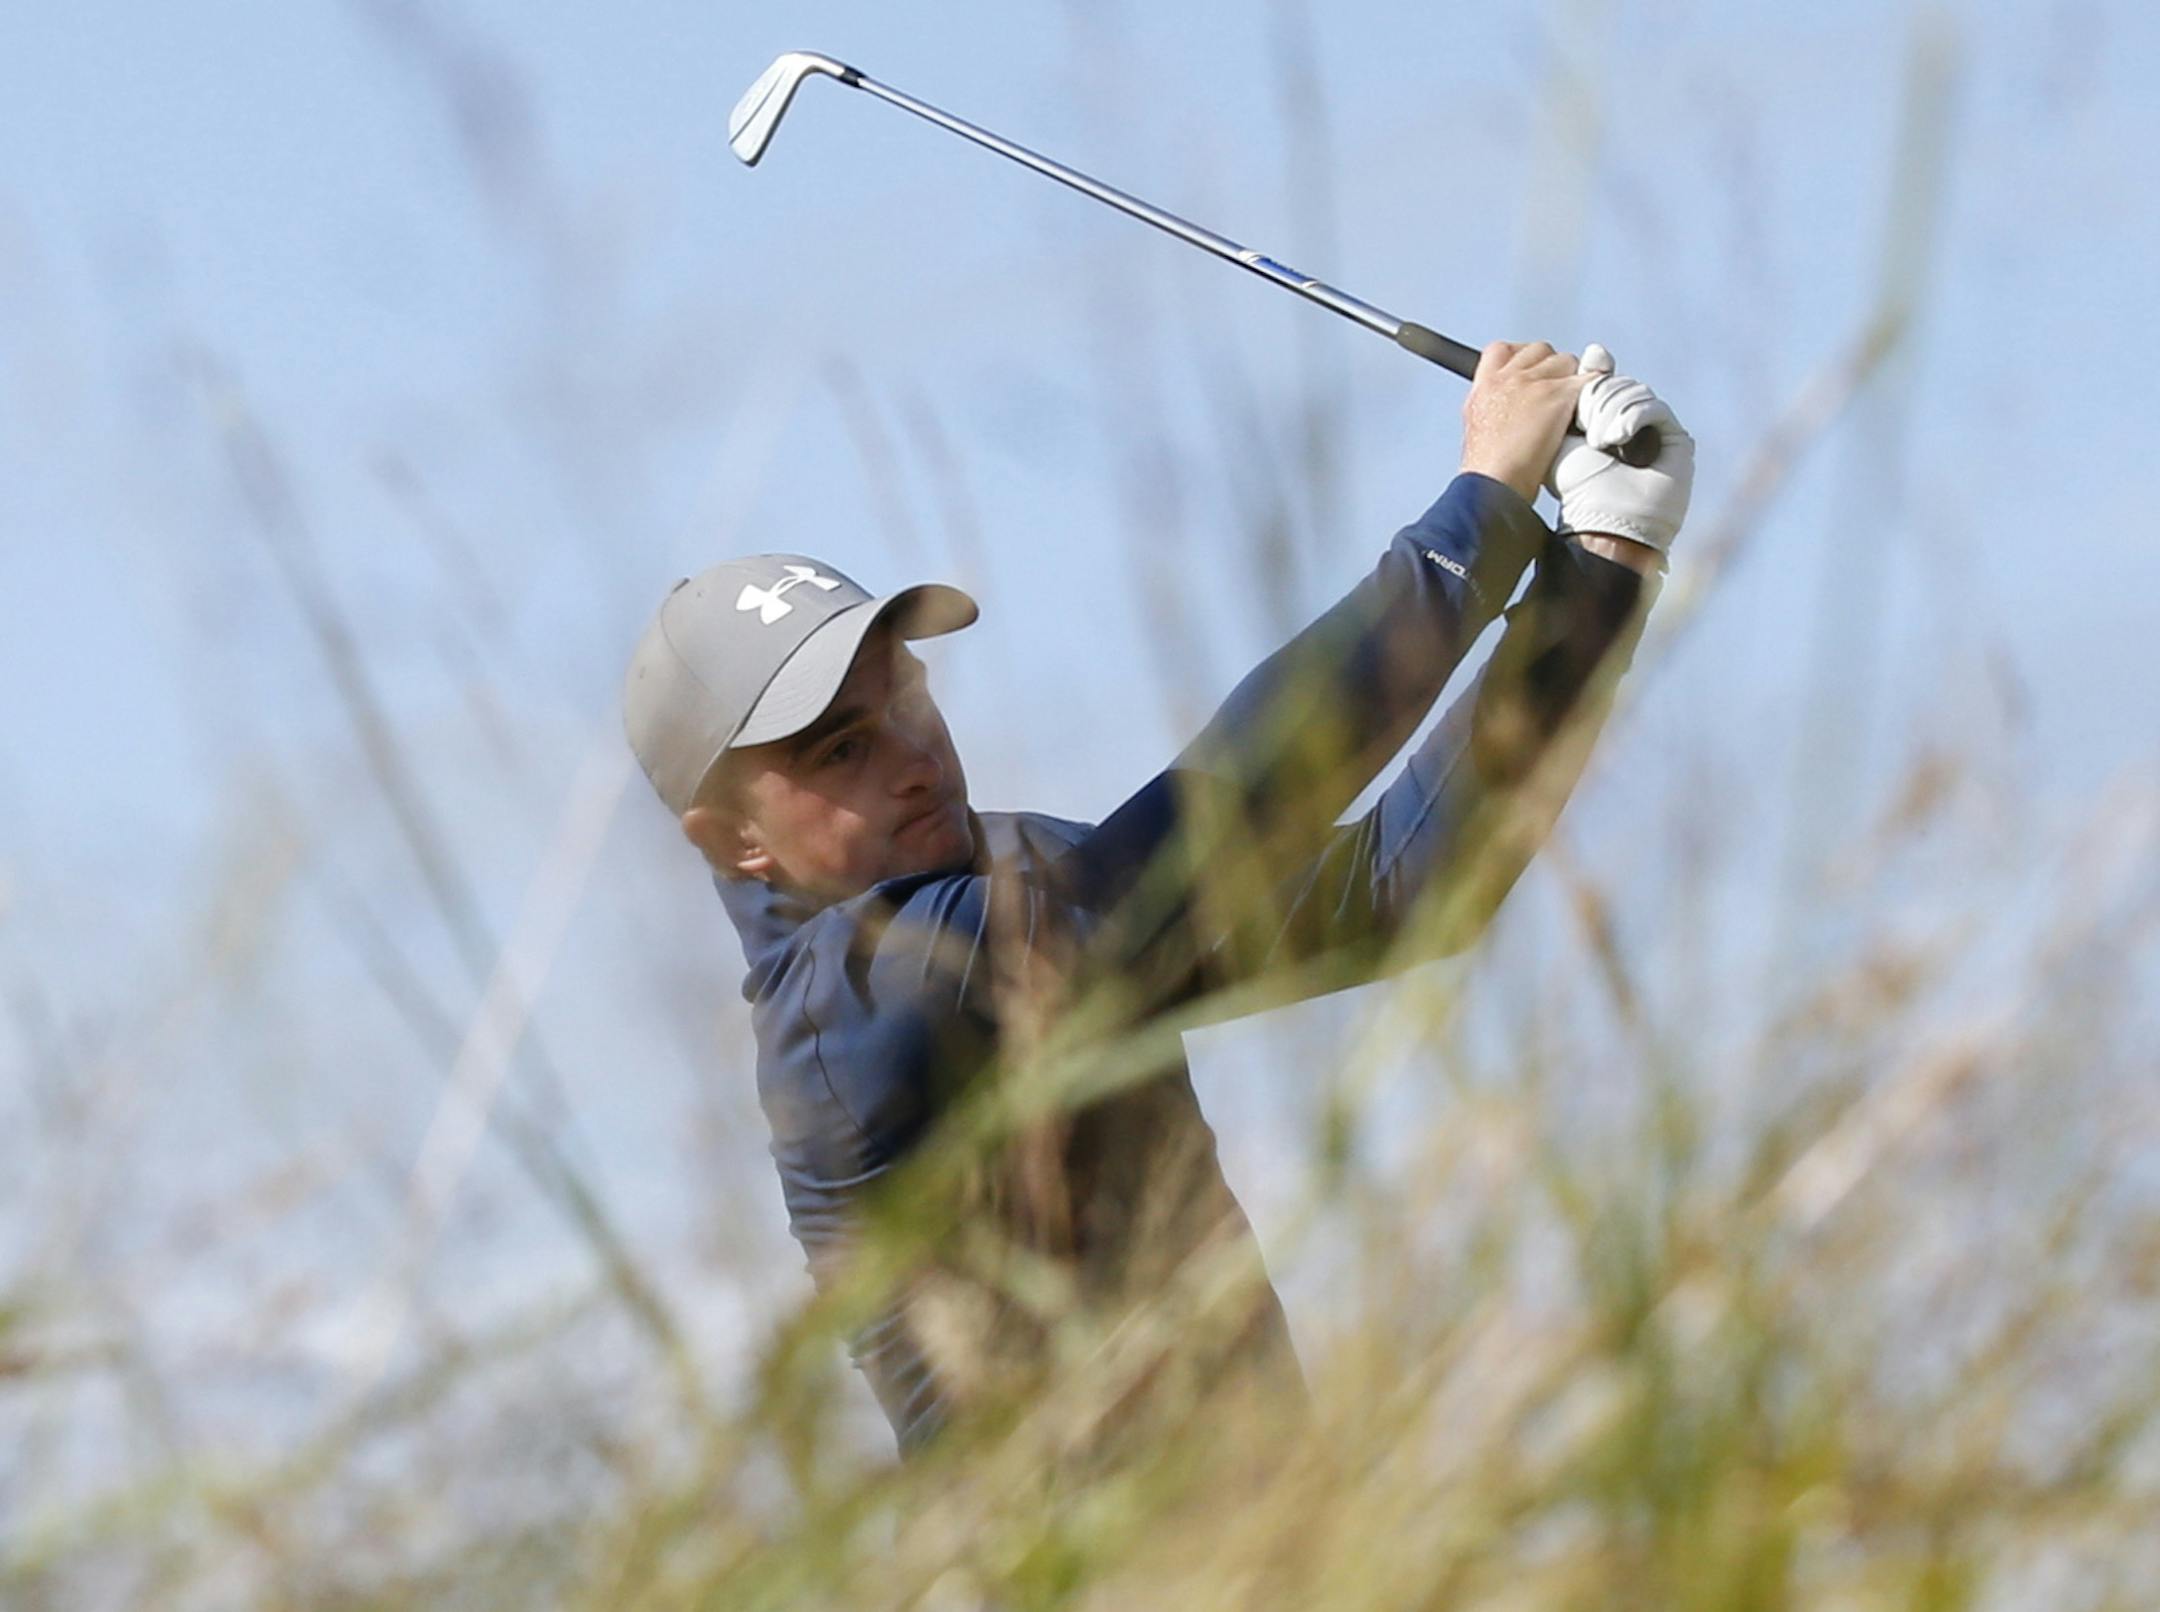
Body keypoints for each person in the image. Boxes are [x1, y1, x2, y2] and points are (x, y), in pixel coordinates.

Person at [621, 341, 1694, 1469]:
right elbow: (1236, 805)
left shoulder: (1021, 884)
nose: (913, 755)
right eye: (843, 747)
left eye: (906, 698)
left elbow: (1393, 891)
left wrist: (1606, 557)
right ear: (735, 840)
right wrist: (1483, 505)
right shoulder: (860, 1006)